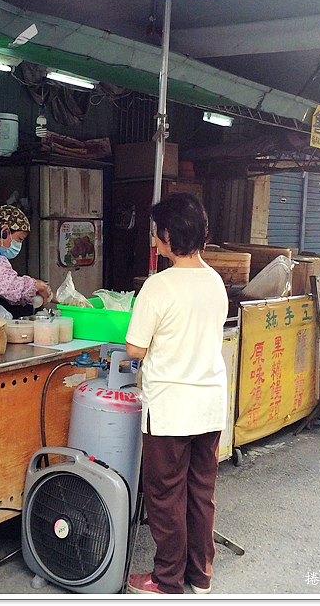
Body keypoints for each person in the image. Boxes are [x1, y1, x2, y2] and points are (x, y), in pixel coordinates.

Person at [123, 193, 228, 595]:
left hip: (170, 408)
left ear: (168, 235)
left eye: (156, 232)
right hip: (209, 404)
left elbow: (135, 348)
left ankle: (167, 579)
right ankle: (200, 576)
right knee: (201, 492)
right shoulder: (215, 281)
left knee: (166, 496)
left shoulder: (158, 286)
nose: (154, 239)